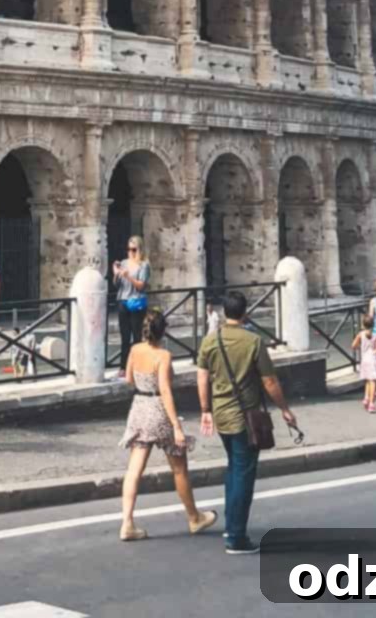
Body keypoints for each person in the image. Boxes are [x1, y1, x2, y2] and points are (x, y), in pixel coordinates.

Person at [197, 290, 297, 556]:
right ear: (244, 313)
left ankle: (231, 526)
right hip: (246, 417)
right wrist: (285, 409)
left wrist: (205, 409)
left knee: (233, 469)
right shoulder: (254, 341)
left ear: (223, 313)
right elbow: (270, 382)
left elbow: (202, 377)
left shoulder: (210, 340)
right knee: (243, 474)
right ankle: (236, 536)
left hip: (221, 414)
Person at [118, 307, 216, 542]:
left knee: (134, 469)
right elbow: (165, 391)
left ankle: (127, 523)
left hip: (139, 407)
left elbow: (129, 379)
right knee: (179, 467)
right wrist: (177, 426)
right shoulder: (163, 356)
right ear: (163, 332)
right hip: (158, 409)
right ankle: (194, 517)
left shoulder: (134, 350)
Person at [112, 237, 151, 376]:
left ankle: (137, 366)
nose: (130, 252)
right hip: (123, 301)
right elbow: (116, 285)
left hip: (136, 302)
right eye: (128, 249)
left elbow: (141, 286)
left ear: (139, 249)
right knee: (124, 337)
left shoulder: (144, 265)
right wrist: (116, 274)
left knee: (137, 337)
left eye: (133, 249)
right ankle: (123, 368)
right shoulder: (124, 263)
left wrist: (129, 277)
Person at [352, 313, 376, 414]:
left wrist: (359, 345)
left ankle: (367, 399)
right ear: (373, 325)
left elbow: (353, 345)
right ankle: (371, 403)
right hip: (373, 359)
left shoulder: (361, 334)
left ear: (363, 325)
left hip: (365, 360)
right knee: (373, 381)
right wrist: (374, 351)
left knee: (368, 380)